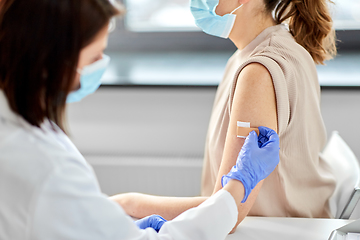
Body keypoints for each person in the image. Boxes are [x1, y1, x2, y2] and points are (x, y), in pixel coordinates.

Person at [0, 0, 280, 239]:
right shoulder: (44, 167)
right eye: (94, 56)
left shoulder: (21, 125)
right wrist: (238, 185)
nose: (101, 64)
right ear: (53, 63)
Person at [113, 0, 338, 232]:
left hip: (272, 231)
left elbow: (229, 210)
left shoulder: (258, 72)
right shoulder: (265, 50)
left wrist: (127, 203)